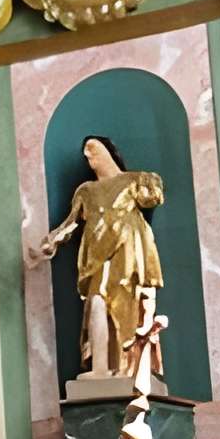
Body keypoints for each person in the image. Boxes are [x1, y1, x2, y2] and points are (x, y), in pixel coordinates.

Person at [37, 136, 165, 379]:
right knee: (96, 303)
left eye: (94, 150)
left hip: (126, 251)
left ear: (108, 152)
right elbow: (71, 223)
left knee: (125, 305)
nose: (89, 156)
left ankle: (128, 368)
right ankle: (100, 368)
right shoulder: (86, 191)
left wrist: (150, 181)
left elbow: (154, 196)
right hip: (96, 255)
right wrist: (52, 240)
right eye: (87, 153)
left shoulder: (132, 180)